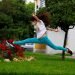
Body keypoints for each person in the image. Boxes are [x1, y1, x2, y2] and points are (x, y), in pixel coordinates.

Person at [7, 14, 73, 55]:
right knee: (27, 40)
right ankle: (13, 42)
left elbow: (38, 20)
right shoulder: (36, 26)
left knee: (55, 47)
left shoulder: (40, 22)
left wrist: (34, 16)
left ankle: (66, 50)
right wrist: (54, 30)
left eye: (32, 22)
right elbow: (46, 28)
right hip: (39, 39)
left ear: (35, 20)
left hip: (45, 39)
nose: (31, 23)